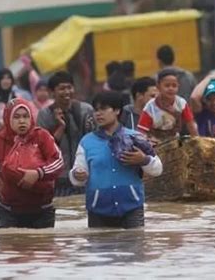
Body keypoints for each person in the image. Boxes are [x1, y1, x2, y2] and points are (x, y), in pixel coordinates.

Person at [69, 91, 162, 228]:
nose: (98, 114)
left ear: (117, 110)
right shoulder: (87, 141)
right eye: (96, 110)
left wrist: (143, 160)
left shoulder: (135, 138)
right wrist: (77, 174)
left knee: (135, 246)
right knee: (99, 248)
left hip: (132, 207)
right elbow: (77, 176)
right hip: (97, 209)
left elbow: (158, 169)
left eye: (104, 109)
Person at [0, 98, 64, 228]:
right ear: (7, 119)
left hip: (42, 211)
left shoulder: (42, 137)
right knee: (8, 246)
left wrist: (38, 173)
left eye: (25, 116)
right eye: (16, 117)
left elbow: (58, 162)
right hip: (7, 211)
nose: (22, 121)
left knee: (43, 247)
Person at [37, 71, 95, 197]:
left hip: (84, 177)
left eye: (69, 87)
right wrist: (60, 127)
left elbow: (94, 142)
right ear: (52, 92)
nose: (67, 92)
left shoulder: (86, 110)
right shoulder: (44, 115)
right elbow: (43, 149)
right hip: (58, 180)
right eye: (62, 88)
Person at [137, 68, 198, 144]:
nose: (171, 88)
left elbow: (191, 125)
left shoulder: (181, 103)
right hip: (154, 144)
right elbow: (142, 132)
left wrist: (196, 142)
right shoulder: (150, 107)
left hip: (175, 143)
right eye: (167, 85)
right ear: (158, 86)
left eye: (174, 86)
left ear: (178, 87)